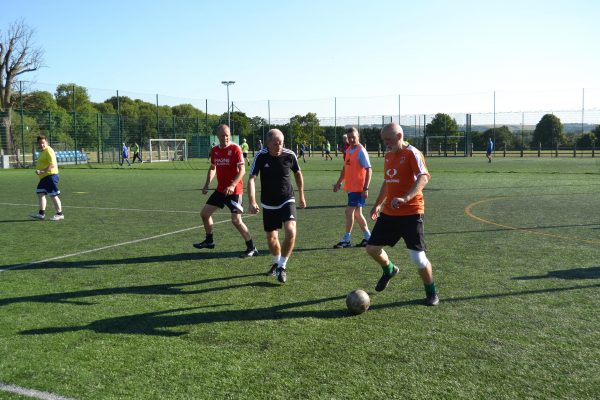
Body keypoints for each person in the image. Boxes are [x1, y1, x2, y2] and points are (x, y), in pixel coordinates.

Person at [366, 122, 439, 306]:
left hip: (411, 212)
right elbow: (387, 181)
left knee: (418, 259)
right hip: (390, 213)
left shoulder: (412, 153)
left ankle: (431, 292)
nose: (386, 143)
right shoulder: (388, 155)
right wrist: (377, 205)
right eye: (383, 140)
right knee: (372, 248)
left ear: (399, 137)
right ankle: (389, 269)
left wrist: (406, 198)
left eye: (388, 139)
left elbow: (424, 177)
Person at [248, 129, 306, 283]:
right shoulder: (260, 156)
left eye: (281, 143)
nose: (279, 146)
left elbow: (298, 173)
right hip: (268, 202)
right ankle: (276, 263)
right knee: (272, 238)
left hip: (287, 199)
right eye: (275, 144)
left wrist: (301, 194)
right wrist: (252, 201)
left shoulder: (290, 154)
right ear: (268, 143)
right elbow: (251, 179)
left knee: (291, 231)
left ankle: (282, 266)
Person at [193, 124, 258, 258]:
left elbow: (242, 170)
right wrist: (206, 184)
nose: (225, 138)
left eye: (227, 135)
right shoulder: (215, 150)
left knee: (236, 220)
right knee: (205, 214)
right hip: (220, 190)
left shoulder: (235, 149)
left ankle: (252, 247)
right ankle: (209, 241)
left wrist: (233, 185)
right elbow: (212, 168)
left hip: (235, 191)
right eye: (222, 135)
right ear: (218, 136)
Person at [332, 127, 372, 248]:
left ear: (358, 136)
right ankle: (368, 238)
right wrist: (338, 183)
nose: (351, 139)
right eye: (349, 137)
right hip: (351, 188)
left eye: (353, 137)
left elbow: (369, 170)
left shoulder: (361, 151)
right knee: (357, 214)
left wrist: (366, 188)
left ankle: (346, 240)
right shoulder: (349, 150)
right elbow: (345, 168)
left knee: (349, 212)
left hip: (358, 188)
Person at [30, 135, 64, 221]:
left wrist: (42, 171)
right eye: (39, 143)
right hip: (45, 178)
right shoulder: (43, 151)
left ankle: (59, 214)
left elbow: (52, 165)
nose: (41, 144)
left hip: (51, 176)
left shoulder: (49, 150)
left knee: (53, 195)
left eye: (43, 143)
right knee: (40, 193)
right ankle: (41, 214)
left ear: (46, 142)